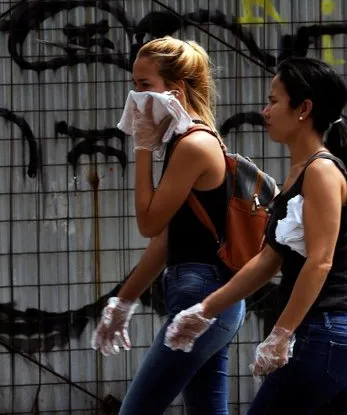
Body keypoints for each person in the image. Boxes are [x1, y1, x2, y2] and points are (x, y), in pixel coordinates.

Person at [163, 56, 347, 414]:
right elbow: (267, 260)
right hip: (335, 341)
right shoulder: (299, 174)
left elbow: (320, 261)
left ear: (303, 109)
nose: (266, 111)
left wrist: (281, 335)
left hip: (321, 336)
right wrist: (203, 310)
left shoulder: (321, 172)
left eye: (274, 101)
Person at [90, 36, 246, 414]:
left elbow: (148, 222)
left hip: (203, 294)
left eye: (145, 86)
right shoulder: (186, 142)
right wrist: (124, 301)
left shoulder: (193, 144)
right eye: (134, 84)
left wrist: (143, 145)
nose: (135, 96)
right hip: (208, 296)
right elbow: (166, 239)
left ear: (173, 91)